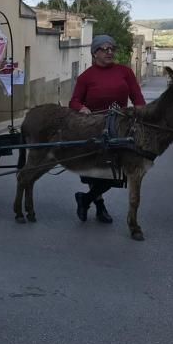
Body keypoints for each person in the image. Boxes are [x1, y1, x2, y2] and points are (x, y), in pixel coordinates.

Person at [68, 34, 146, 223]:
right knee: (96, 170)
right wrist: (82, 108)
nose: (110, 52)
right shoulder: (86, 77)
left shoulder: (125, 72)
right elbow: (74, 101)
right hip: (94, 127)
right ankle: (99, 205)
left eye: (112, 48)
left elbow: (138, 99)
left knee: (116, 172)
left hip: (119, 126)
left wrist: (142, 114)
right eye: (105, 49)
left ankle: (85, 199)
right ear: (95, 53)